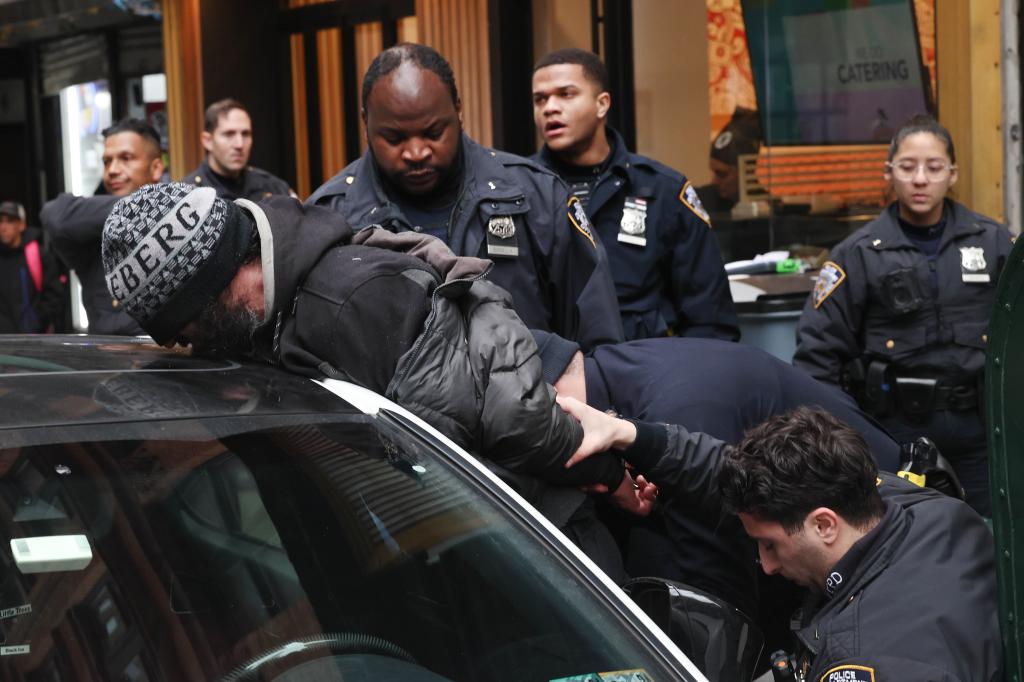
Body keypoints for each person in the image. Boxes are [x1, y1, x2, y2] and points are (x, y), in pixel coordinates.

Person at [100, 182, 645, 580]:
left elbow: (509, 413)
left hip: (545, 554)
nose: (184, 344)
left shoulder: (342, 302)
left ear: (220, 280)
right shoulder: (279, 310)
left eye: (184, 325)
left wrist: (609, 473)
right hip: (479, 547)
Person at [557, 402, 1002, 682]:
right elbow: (728, 473)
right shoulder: (913, 507)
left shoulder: (869, 662)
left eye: (770, 545)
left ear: (824, 525)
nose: (765, 565)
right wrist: (629, 435)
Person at [533, 331, 899, 640]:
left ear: (555, 400)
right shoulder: (616, 373)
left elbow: (722, 597)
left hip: (881, 531)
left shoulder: (679, 408)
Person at [306, 43, 623, 351]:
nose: (417, 153)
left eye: (433, 133)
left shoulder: (538, 196)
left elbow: (598, 338)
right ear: (366, 124)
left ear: (458, 110)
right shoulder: (330, 218)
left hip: (532, 401)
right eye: (394, 138)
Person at [793, 115, 1015, 516]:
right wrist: (849, 438)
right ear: (889, 173)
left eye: (933, 168)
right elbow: (817, 358)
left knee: (990, 544)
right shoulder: (857, 253)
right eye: (908, 167)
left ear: (952, 175)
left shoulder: (994, 241)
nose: (920, 179)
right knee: (904, 543)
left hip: (982, 434)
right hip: (892, 433)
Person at [532, 49, 738, 341]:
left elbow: (710, 318)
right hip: (554, 376)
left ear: (602, 104)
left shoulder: (663, 190)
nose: (549, 108)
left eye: (566, 94)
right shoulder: (520, 189)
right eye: (540, 99)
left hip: (644, 372)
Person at [42, 118, 165, 334]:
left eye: (126, 158)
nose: (113, 170)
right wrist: (150, 205)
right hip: (107, 363)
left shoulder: (180, 218)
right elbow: (55, 216)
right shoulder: (93, 227)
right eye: (107, 161)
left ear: (156, 168)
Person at [183, 99, 295, 201]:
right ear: (208, 141)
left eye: (245, 134)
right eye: (229, 134)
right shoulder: (188, 195)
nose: (239, 144)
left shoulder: (273, 187)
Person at [0, 200, 64, 333]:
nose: (3, 227)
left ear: (21, 224)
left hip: (32, 339)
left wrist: (37, 323)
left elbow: (54, 296)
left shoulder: (38, 255)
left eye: (10, 221)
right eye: (1, 221)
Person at [695, 107, 762, 216]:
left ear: (746, 172)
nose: (714, 181)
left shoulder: (766, 208)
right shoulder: (708, 200)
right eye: (715, 173)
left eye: (722, 174)